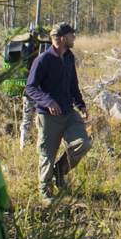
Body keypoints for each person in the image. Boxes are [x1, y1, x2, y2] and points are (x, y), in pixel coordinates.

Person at [24, 22, 92, 199]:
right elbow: (30, 88)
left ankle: (60, 172)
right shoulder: (43, 60)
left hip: (69, 113)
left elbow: (73, 84)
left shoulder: (69, 57)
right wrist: (48, 101)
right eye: (72, 35)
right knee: (47, 154)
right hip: (49, 116)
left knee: (83, 143)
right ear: (62, 38)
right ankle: (46, 194)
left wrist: (81, 105)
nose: (74, 38)